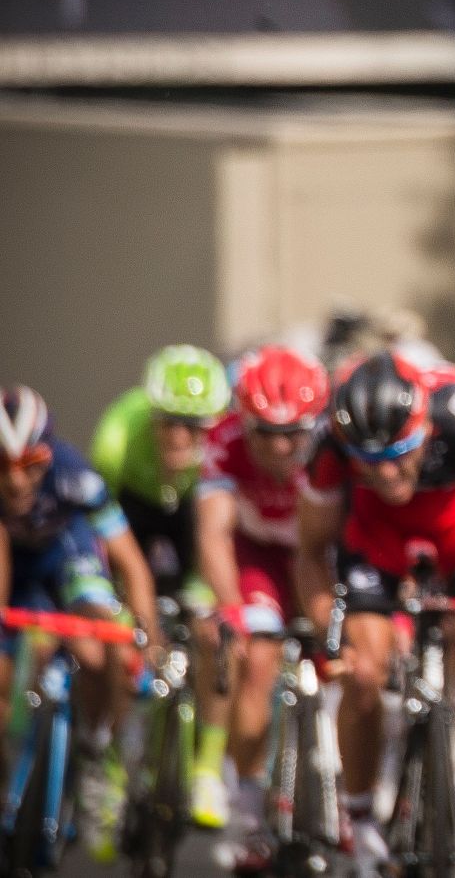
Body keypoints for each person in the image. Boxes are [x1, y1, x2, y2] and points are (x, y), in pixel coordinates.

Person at [296, 349, 455, 878]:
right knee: (363, 674)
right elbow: (311, 550)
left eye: (401, 452)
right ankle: (362, 820)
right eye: (368, 460)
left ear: (425, 426)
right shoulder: (327, 443)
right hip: (377, 544)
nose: (386, 473)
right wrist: (330, 633)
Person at [3, 385, 165, 862]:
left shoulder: (76, 476)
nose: (15, 483)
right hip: (14, 568)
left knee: (99, 648)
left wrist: (147, 632)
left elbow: (131, 564)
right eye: (2, 465)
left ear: (47, 455)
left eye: (29, 464)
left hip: (67, 560)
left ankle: (97, 751)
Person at [90, 343, 235, 827]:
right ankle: (112, 770)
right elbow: (97, 533)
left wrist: (211, 603)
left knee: (215, 634)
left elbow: (217, 537)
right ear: (149, 413)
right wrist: (117, 602)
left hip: (190, 518)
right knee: (123, 642)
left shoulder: (221, 448)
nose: (179, 436)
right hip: (131, 516)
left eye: (194, 426)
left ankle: (208, 770)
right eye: (168, 421)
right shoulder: (116, 437)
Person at [196, 346, 329, 868]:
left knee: (347, 657)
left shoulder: (329, 447)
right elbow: (213, 535)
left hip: (314, 552)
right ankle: (247, 811)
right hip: (257, 556)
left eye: (294, 433)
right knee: (258, 658)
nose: (281, 447)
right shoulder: (223, 442)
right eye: (266, 434)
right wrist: (230, 613)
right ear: (243, 423)